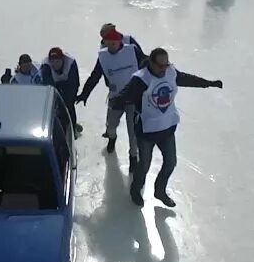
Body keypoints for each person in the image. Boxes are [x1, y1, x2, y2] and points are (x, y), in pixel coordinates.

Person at [111, 47, 222, 207]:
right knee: (144, 165)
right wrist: (117, 102)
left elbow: (187, 79)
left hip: (167, 128)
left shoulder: (170, 72)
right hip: (146, 132)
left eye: (166, 65)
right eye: (160, 66)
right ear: (151, 63)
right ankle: (136, 190)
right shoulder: (141, 79)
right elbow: (125, 95)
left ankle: (160, 190)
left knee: (171, 162)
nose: (164, 69)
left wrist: (208, 83)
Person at [77, 27, 148, 168]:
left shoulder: (132, 49)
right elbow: (95, 75)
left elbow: (147, 64)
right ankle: (112, 138)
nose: (111, 47)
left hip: (134, 97)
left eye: (113, 44)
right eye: (108, 44)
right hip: (116, 97)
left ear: (119, 41)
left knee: (132, 131)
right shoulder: (103, 56)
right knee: (110, 125)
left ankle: (133, 158)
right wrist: (85, 94)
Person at [41, 47, 82, 134]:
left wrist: (68, 101)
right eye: (52, 62)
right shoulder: (46, 66)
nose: (55, 64)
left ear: (62, 59)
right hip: (54, 83)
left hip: (68, 82)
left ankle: (72, 127)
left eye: (57, 62)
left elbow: (74, 84)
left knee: (69, 105)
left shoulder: (70, 63)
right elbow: (48, 87)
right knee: (54, 106)